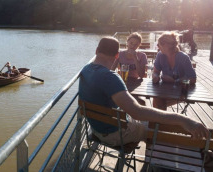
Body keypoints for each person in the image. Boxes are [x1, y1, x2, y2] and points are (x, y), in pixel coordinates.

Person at [79, 37, 208, 146]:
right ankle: (166, 156)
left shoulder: (85, 69)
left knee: (150, 113)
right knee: (159, 126)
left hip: (96, 129)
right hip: (114, 135)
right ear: (117, 55)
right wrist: (183, 120)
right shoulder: (110, 77)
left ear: (96, 51)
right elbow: (137, 112)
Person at [152, 31, 196, 110]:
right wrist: (155, 77)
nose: (158, 47)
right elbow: (156, 72)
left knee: (158, 101)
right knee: (157, 98)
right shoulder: (160, 55)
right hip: (165, 89)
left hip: (181, 91)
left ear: (166, 45)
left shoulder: (183, 57)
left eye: (158, 44)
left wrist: (175, 81)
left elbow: (193, 78)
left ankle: (158, 121)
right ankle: (160, 121)